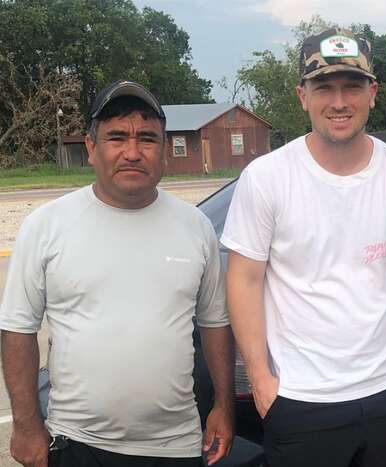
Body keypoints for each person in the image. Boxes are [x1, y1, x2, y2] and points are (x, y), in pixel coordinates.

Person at [221, 29, 386, 467]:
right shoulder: (266, 177)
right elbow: (244, 279)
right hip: (300, 400)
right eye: (324, 87)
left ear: (372, 93)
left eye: (352, 86)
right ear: (302, 95)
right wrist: (263, 380)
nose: (338, 102)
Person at [0, 80, 234, 467]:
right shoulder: (46, 226)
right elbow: (18, 330)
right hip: (77, 442)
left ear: (163, 149)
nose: (132, 152)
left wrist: (223, 406)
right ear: (91, 148)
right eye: (116, 137)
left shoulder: (195, 228)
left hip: (175, 445)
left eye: (146, 138)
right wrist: (26, 426)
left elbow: (215, 325)